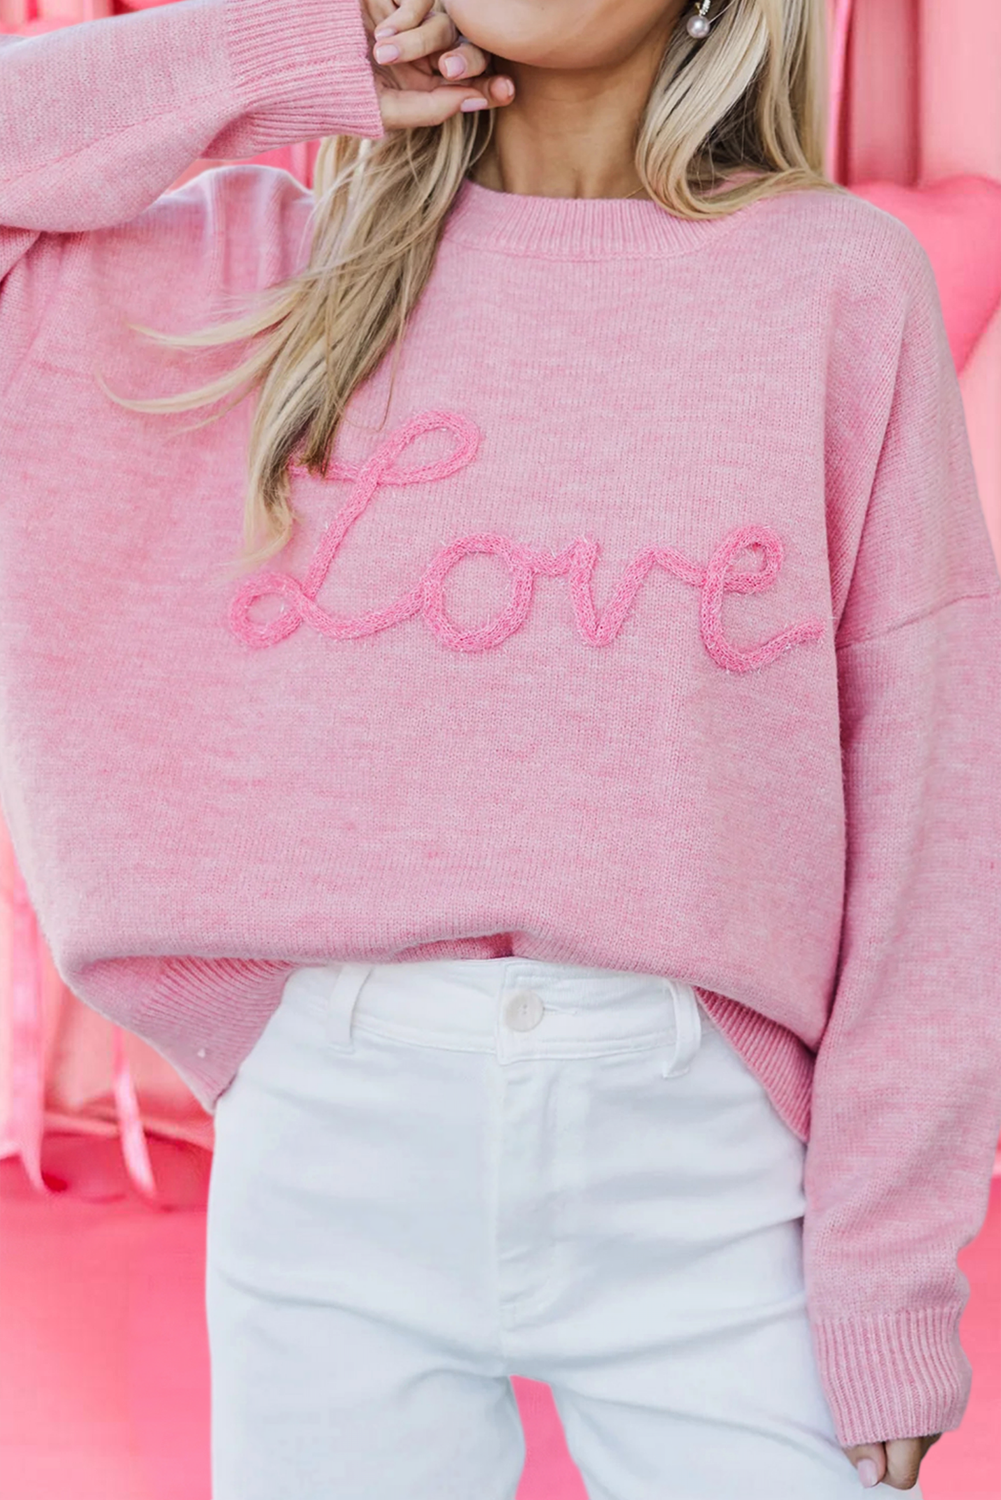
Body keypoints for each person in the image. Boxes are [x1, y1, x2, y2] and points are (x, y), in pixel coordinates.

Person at [1, 0, 999, 1495]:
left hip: (716, 1176)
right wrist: (289, 57)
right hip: (327, 1154)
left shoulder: (835, 285)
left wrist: (890, 1275)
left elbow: (937, 818)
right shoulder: (250, 267)